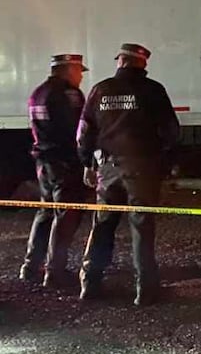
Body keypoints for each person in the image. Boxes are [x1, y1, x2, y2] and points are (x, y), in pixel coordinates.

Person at [76, 43, 180, 306]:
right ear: (142, 64)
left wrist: (88, 163)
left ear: (120, 61)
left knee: (102, 225)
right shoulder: (153, 90)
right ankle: (146, 290)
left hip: (108, 168)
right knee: (142, 227)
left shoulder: (100, 89)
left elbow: (84, 132)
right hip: (143, 168)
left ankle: (90, 284)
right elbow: (170, 130)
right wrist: (168, 162)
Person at [20, 54, 90, 288]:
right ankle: (55, 271)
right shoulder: (69, 94)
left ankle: (30, 266)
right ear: (69, 70)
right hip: (64, 163)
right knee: (65, 215)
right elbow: (76, 131)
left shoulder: (38, 93)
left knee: (45, 212)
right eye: (79, 71)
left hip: (44, 161)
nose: (80, 77)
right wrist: (83, 160)